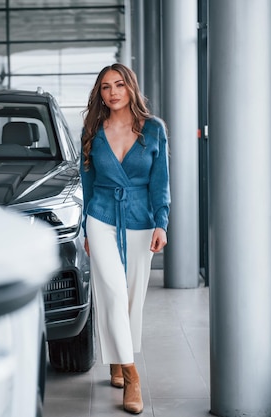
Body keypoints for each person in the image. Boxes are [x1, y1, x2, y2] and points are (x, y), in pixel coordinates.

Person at [80, 63, 170, 414]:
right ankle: (131, 374)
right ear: (100, 93)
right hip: (100, 217)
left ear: (131, 88)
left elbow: (160, 181)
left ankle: (118, 358)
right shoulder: (92, 129)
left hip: (141, 220)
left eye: (119, 85)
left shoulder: (154, 130)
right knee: (114, 294)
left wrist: (161, 222)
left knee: (133, 296)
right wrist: (84, 230)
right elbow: (86, 182)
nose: (112, 92)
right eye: (105, 87)